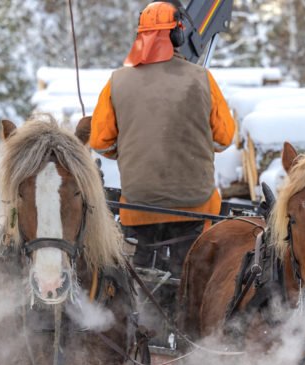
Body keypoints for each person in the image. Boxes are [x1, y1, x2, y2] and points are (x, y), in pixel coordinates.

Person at [89, 1, 236, 280]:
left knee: (142, 270)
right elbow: (224, 138)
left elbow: (100, 141)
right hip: (196, 207)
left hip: (138, 208)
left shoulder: (117, 81)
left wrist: (132, 147)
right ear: (178, 35)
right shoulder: (202, 78)